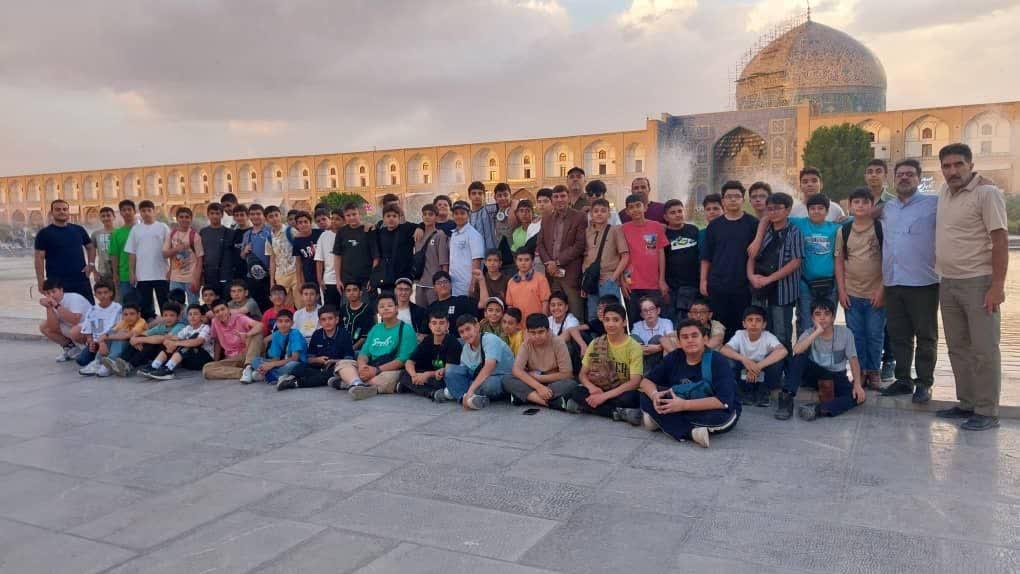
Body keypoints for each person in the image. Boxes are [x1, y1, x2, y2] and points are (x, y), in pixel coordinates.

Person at [934, 143, 1008, 431]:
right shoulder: (944, 192)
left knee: (984, 349)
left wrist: (997, 286)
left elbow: (1000, 241)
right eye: (947, 166)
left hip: (978, 283)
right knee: (958, 348)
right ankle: (967, 403)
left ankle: (987, 411)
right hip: (948, 282)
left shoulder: (987, 194)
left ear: (970, 165)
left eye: (958, 165)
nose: (952, 171)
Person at [879, 159, 939, 404]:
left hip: (923, 282)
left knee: (926, 336)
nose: (904, 177)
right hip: (893, 282)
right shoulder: (887, 208)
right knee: (898, 335)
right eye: (900, 174)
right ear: (894, 178)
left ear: (918, 178)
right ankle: (903, 379)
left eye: (910, 174)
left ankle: (924, 383)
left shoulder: (934, 204)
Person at [638, 319, 742, 447]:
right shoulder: (675, 357)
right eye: (685, 337)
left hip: (713, 407)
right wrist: (654, 395)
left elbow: (723, 402)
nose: (690, 340)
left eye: (694, 336)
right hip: (681, 401)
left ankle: (659, 420)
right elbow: (646, 381)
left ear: (705, 339)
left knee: (717, 417)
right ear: (679, 342)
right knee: (646, 396)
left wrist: (683, 405)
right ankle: (691, 433)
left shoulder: (718, 361)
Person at [835, 188, 885, 389]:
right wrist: (841, 291)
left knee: (875, 334)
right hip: (852, 293)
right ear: (850, 206)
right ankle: (860, 372)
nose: (861, 206)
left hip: (875, 294)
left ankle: (874, 371)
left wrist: (882, 290)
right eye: (856, 202)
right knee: (855, 336)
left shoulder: (880, 228)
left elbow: (889, 261)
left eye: (865, 202)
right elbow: (839, 262)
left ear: (872, 205)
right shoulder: (844, 230)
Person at [784, 299, 866, 422]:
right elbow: (797, 350)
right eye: (817, 314)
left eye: (827, 314)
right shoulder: (809, 332)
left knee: (858, 397)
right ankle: (787, 398)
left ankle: (819, 409)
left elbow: (853, 360)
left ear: (833, 317)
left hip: (836, 376)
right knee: (799, 357)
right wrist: (817, 332)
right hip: (814, 374)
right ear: (812, 318)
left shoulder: (845, 333)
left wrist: (857, 384)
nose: (822, 318)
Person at [746, 192, 803, 357]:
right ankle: (764, 366)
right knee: (761, 330)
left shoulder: (794, 232)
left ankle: (783, 366)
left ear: (788, 209)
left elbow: (796, 262)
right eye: (770, 209)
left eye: (778, 208)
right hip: (760, 290)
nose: (773, 212)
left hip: (783, 291)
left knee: (781, 333)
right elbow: (751, 255)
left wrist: (769, 279)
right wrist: (751, 276)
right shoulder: (764, 230)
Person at [330, 292, 417, 400]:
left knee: (385, 378)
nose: (386, 308)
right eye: (382, 306)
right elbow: (364, 353)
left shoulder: (406, 329)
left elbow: (402, 360)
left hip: (391, 369)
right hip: (372, 365)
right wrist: (362, 367)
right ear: (378, 311)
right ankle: (357, 383)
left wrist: (376, 370)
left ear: (396, 309)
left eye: (390, 306)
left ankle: (350, 382)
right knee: (343, 363)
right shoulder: (376, 328)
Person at [699, 181, 758, 340]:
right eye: (729, 196)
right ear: (723, 200)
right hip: (718, 284)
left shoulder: (753, 223)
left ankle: (739, 356)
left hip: (743, 284)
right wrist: (703, 281)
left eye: (737, 196)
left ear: (743, 199)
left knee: (741, 326)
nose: (733, 199)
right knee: (719, 326)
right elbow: (706, 256)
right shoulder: (714, 226)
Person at [567, 303, 643, 420]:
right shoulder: (596, 343)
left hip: (620, 391)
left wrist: (604, 397)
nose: (610, 324)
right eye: (607, 320)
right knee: (577, 391)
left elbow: (635, 382)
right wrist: (592, 388)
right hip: (599, 387)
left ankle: (586, 407)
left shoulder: (634, 347)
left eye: (615, 320)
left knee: (632, 398)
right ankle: (616, 413)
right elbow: (582, 374)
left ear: (624, 322)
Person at [433, 314, 513, 410]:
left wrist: (470, 389)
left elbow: (489, 366)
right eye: (462, 332)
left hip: (499, 377)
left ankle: (454, 392)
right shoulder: (466, 348)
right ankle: (469, 399)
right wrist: (444, 370)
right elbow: (463, 372)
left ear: (477, 326)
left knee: (488, 385)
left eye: (468, 329)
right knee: (450, 371)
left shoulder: (490, 339)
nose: (466, 334)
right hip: (478, 378)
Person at [863, 158, 897, 382]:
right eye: (870, 171)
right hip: (865, 269)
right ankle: (868, 364)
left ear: (885, 175)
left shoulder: (894, 202)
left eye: (878, 171)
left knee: (889, 319)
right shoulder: (859, 200)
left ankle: (889, 361)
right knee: (869, 319)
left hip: (889, 266)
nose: (874, 175)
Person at [790, 193, 842, 336]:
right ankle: (804, 350)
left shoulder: (835, 228)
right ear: (807, 211)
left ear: (827, 211)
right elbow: (773, 217)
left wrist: (846, 218)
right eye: (812, 208)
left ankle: (825, 351)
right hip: (806, 285)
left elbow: (857, 219)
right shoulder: (800, 223)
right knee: (806, 325)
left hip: (830, 285)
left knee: (827, 324)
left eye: (820, 208)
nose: (816, 211)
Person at [503, 313, 579, 408]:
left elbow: (567, 374)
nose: (537, 336)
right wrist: (538, 387)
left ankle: (527, 396)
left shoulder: (558, 342)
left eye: (541, 332)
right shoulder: (527, 344)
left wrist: (539, 379)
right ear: (527, 332)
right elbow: (516, 370)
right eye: (533, 333)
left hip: (552, 381)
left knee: (571, 384)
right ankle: (549, 403)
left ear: (548, 331)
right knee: (507, 379)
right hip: (534, 382)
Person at [718, 306, 787, 408]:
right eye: (750, 320)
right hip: (744, 372)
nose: (754, 324)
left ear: (764, 324)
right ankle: (744, 391)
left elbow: (783, 351)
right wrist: (745, 360)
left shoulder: (768, 336)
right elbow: (724, 349)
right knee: (728, 360)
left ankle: (763, 392)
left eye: (758, 320)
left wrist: (758, 366)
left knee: (778, 362)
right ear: (744, 324)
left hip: (763, 373)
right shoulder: (740, 334)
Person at [274, 305, 355, 391]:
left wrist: (334, 361)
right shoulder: (317, 334)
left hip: (337, 367)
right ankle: (337, 382)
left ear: (337, 320)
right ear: (319, 322)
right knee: (298, 368)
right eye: (323, 320)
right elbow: (308, 359)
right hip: (318, 367)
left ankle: (295, 383)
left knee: (326, 375)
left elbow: (350, 359)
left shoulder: (344, 334)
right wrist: (317, 360)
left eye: (330, 318)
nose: (327, 322)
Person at [537, 185, 587, 320]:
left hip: (570, 273)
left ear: (569, 197)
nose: (559, 199)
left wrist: (557, 262)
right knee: (555, 313)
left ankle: (576, 334)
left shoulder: (579, 217)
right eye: (556, 197)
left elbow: (579, 245)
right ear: (552, 200)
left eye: (563, 196)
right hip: (551, 273)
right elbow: (540, 244)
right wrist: (549, 263)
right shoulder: (546, 219)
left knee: (575, 312)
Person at [34, 199, 95, 303]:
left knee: (88, 309)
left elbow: (90, 247)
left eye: (65, 209)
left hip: (80, 279)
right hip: (56, 283)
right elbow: (39, 258)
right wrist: (41, 281)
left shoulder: (78, 230)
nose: (62, 212)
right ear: (52, 212)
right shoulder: (44, 233)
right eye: (58, 209)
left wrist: (91, 264)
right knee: (59, 310)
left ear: (68, 211)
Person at [583, 198, 629, 322]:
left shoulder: (615, 230)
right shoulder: (587, 232)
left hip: (608, 280)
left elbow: (625, 256)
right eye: (596, 211)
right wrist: (584, 283)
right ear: (591, 214)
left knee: (612, 316)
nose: (599, 214)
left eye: (603, 211)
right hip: (591, 281)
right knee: (593, 317)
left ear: (609, 214)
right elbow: (584, 257)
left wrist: (613, 278)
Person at [140, 304, 214, 380]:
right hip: (190, 361)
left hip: (204, 360)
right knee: (174, 342)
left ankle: (168, 369)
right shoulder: (188, 328)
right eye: (190, 314)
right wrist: (168, 341)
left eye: (195, 314)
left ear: (202, 317)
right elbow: (176, 338)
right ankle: (154, 366)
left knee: (189, 341)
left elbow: (198, 341)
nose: (192, 316)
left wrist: (176, 342)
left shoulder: (205, 327)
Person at [399, 308, 461, 398]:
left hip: (443, 376)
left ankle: (409, 387)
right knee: (404, 373)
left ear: (447, 325)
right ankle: (432, 393)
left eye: (441, 323)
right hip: (430, 374)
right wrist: (414, 376)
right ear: (430, 325)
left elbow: (448, 371)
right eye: (434, 323)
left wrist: (427, 375)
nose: (438, 326)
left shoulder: (452, 342)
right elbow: (410, 362)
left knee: (442, 381)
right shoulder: (427, 340)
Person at [125, 200, 170, 319]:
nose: (146, 213)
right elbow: (132, 253)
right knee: (145, 306)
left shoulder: (163, 227)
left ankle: (167, 325)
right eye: (143, 211)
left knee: (165, 304)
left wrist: (171, 270)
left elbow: (170, 249)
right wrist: (131, 273)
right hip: (143, 275)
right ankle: (148, 326)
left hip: (161, 273)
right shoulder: (136, 229)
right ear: (140, 213)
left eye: (149, 210)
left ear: (154, 211)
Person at [202, 300, 265, 382]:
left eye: (222, 309)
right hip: (233, 358)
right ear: (214, 314)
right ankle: (246, 373)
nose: (221, 313)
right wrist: (216, 361)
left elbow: (260, 325)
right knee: (207, 368)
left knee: (257, 334)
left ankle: (249, 366)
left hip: (248, 353)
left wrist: (247, 334)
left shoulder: (239, 318)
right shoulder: (215, 322)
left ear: (228, 309)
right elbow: (217, 342)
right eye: (217, 312)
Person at [121, 302, 187, 374]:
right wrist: (134, 338)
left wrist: (139, 339)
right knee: (140, 339)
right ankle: (122, 361)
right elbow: (144, 333)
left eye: (172, 315)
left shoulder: (180, 326)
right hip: (158, 353)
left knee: (150, 343)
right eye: (165, 315)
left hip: (169, 354)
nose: (168, 318)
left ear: (178, 317)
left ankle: (130, 365)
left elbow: (164, 338)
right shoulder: (161, 326)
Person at [662, 198, 700, 322]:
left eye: (680, 211)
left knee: (693, 321)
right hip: (673, 287)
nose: (677, 215)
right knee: (674, 321)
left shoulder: (693, 230)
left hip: (693, 285)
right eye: (673, 213)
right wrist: (662, 283)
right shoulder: (663, 233)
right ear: (665, 217)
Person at [38, 278, 92, 362]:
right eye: (48, 293)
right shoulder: (52, 302)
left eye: (53, 291)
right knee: (44, 326)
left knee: (74, 332)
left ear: (61, 290)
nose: (51, 295)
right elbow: (53, 328)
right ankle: (72, 350)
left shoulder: (74, 298)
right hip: (72, 327)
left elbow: (75, 320)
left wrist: (56, 306)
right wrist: (49, 307)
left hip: (89, 326)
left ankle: (89, 351)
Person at [248, 308, 306, 383]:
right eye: (280, 321)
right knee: (255, 360)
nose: (283, 324)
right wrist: (268, 364)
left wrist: (272, 364)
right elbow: (276, 359)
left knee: (292, 365)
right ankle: (275, 375)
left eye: (287, 321)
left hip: (296, 363)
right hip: (281, 364)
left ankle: (268, 375)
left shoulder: (295, 333)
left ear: (292, 323)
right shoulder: (276, 335)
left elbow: (295, 358)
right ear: (276, 323)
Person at [76, 282, 123, 375]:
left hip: (110, 340)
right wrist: (90, 342)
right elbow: (87, 330)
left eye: (105, 292)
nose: (103, 296)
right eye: (99, 293)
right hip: (96, 342)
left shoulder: (118, 308)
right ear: (95, 295)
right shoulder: (92, 310)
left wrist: (102, 341)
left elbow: (118, 329)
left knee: (109, 340)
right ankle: (98, 361)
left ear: (111, 293)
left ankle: (101, 363)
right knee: (82, 360)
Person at [92, 302, 148, 377]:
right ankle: (97, 362)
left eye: (132, 314)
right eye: (125, 314)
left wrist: (107, 337)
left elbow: (129, 334)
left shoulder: (141, 322)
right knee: (112, 333)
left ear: (139, 315)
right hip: (128, 345)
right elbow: (107, 334)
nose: (128, 317)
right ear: (122, 316)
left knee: (120, 335)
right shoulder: (123, 322)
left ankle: (110, 363)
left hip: (138, 348)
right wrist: (101, 342)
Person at [333, 202, 378, 294]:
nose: (351, 217)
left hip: (366, 282)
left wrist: (373, 278)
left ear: (359, 214)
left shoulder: (369, 230)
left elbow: (376, 257)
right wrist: (338, 279)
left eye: (354, 214)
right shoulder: (341, 232)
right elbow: (337, 256)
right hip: (347, 282)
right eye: (348, 215)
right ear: (345, 217)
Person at [163, 207, 203, 304]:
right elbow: (165, 254)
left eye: (187, 217)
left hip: (191, 277)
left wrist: (197, 279)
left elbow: (200, 259)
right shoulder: (171, 234)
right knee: (174, 305)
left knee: (193, 304)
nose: (184, 219)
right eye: (181, 217)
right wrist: (176, 249)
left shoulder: (195, 236)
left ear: (191, 219)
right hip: (175, 277)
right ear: (177, 218)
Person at [373, 204, 417, 291]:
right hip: (386, 277)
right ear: (383, 218)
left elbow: (423, 224)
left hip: (404, 276)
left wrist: (420, 228)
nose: (391, 219)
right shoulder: (380, 232)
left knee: (403, 298)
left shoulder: (407, 228)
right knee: (387, 298)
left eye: (394, 216)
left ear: (399, 218)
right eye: (388, 216)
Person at [413, 203, 450, 305]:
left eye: (430, 214)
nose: (427, 217)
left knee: (435, 311)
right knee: (420, 311)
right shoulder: (418, 235)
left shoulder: (440, 235)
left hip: (434, 284)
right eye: (425, 214)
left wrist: (444, 283)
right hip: (420, 283)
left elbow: (444, 262)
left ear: (436, 217)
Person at [449, 200, 485, 297]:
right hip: (454, 284)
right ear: (452, 215)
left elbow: (477, 261)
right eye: (456, 213)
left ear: (468, 215)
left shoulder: (473, 235)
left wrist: (473, 284)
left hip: (467, 285)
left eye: (462, 213)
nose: (459, 216)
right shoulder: (453, 234)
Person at [631, 296, 675, 375]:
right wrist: (650, 348)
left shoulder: (667, 323)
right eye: (645, 311)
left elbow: (671, 343)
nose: (649, 313)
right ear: (641, 314)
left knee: (657, 338)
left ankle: (647, 375)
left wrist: (658, 348)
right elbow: (633, 347)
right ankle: (646, 374)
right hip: (642, 360)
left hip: (659, 361)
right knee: (634, 338)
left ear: (658, 310)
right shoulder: (637, 326)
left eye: (651, 309)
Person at [263, 205, 298, 307]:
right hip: (281, 276)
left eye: (276, 215)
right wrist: (272, 281)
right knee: (285, 306)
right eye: (271, 216)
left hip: (295, 273)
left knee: (301, 304)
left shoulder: (291, 231)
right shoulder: (269, 238)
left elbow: (300, 251)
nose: (274, 218)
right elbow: (272, 260)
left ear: (280, 216)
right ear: (266, 220)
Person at [504, 249, 551, 321]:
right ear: (515, 262)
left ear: (532, 261)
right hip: (518, 325)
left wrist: (543, 321)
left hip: (536, 324)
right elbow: (510, 306)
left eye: (526, 260)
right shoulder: (511, 282)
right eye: (520, 260)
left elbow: (545, 302)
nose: (523, 263)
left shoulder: (541, 279)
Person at [241, 204, 272, 311]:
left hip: (269, 275)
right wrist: (245, 251)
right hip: (252, 277)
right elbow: (242, 256)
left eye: (258, 214)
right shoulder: (247, 234)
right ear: (249, 216)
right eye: (252, 214)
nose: (255, 216)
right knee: (256, 307)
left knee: (270, 305)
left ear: (263, 215)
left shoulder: (270, 231)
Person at [199, 203, 233, 299]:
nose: (214, 216)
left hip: (225, 273)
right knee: (211, 300)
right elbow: (199, 254)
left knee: (226, 299)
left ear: (222, 215)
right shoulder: (203, 232)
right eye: (212, 213)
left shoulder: (230, 232)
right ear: (208, 215)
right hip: (209, 273)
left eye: (217, 213)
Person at [109, 199, 137, 303]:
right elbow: (114, 255)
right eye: (124, 210)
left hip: (143, 275)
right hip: (124, 275)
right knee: (126, 305)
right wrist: (115, 274)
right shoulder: (117, 233)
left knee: (146, 307)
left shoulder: (142, 230)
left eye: (129, 209)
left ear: (134, 211)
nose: (127, 212)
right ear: (120, 213)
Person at [316, 208, 343, 307]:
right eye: (332, 218)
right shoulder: (324, 236)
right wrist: (320, 279)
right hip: (329, 280)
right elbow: (319, 260)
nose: (334, 221)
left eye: (337, 219)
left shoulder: (348, 234)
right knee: (330, 310)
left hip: (347, 279)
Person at [341, 282, 377, 351]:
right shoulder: (343, 309)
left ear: (360, 293)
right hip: (344, 347)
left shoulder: (368, 309)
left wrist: (352, 349)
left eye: (355, 290)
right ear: (345, 294)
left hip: (362, 349)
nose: (351, 293)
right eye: (348, 290)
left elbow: (367, 334)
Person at [290, 211, 322, 288]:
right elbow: (298, 262)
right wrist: (299, 281)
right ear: (297, 225)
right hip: (309, 276)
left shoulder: (320, 233)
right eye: (300, 222)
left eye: (305, 222)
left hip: (323, 274)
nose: (303, 224)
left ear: (310, 223)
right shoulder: (297, 241)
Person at [467, 181, 498, 251]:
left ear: (484, 196)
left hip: (491, 253)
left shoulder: (490, 209)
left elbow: (507, 203)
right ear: (469, 196)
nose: (477, 196)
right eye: (474, 193)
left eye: (480, 193)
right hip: (474, 254)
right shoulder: (466, 216)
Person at [92, 207, 116, 293]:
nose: (106, 218)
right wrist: (94, 272)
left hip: (119, 271)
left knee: (119, 296)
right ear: (100, 218)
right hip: (103, 271)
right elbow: (92, 254)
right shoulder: (96, 234)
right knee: (106, 296)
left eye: (108, 215)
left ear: (114, 217)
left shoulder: (119, 232)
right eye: (103, 216)